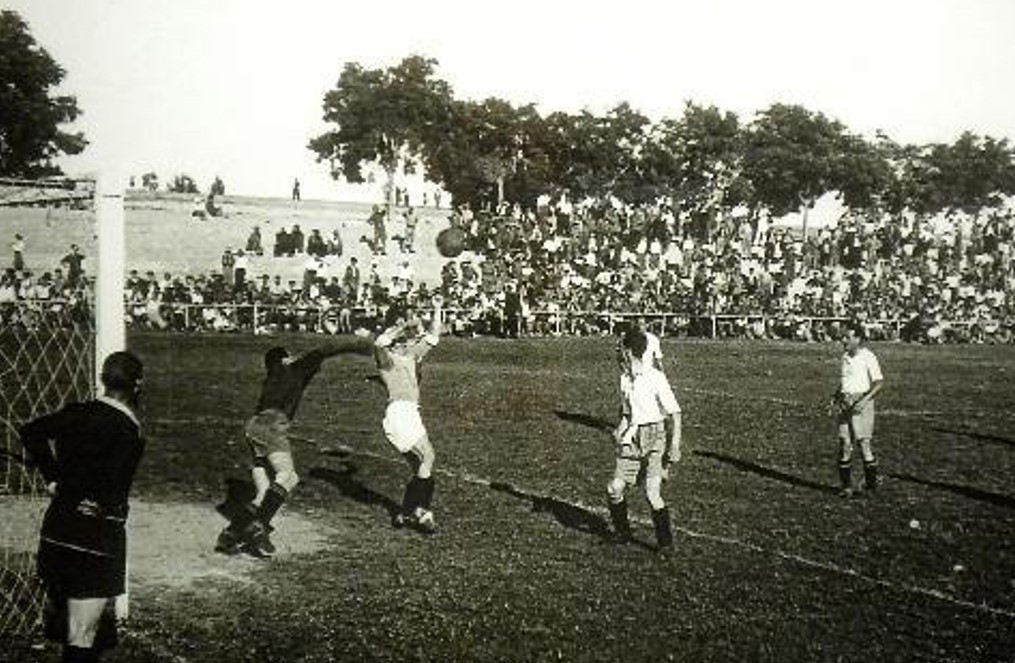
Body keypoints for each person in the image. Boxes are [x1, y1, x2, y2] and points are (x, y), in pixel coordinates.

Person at [20, 351, 146, 663]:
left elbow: (31, 431)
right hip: (96, 538)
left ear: (103, 380)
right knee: (83, 635)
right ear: (138, 385)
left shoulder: (77, 412)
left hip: (57, 531)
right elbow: (111, 488)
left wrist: (53, 479)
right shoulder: (130, 431)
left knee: (71, 627)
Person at [215, 336, 375, 557]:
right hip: (271, 425)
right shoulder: (293, 369)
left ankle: (230, 535)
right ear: (285, 359)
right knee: (287, 476)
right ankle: (258, 527)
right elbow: (324, 350)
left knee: (264, 493)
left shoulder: (273, 377)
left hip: (252, 427)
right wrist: (359, 345)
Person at [372, 295, 444, 532]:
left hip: (409, 412)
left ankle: (405, 512)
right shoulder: (388, 359)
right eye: (402, 338)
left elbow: (434, 336)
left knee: (420, 466)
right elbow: (378, 343)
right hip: (399, 413)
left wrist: (437, 308)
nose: (407, 340)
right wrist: (399, 327)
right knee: (428, 457)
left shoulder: (410, 354)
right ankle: (420, 511)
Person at [607, 327, 681, 552]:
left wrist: (674, 445)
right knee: (614, 489)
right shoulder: (624, 378)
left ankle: (665, 543)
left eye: (622, 347)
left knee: (652, 493)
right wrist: (620, 429)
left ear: (629, 351)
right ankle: (623, 532)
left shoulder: (655, 377)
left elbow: (675, 412)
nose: (618, 350)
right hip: (633, 437)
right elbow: (627, 412)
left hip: (655, 436)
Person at [831, 321, 884, 497]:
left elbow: (879, 382)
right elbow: (846, 380)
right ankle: (846, 487)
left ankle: (871, 487)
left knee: (863, 444)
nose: (843, 340)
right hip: (846, 403)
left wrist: (864, 400)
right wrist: (837, 395)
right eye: (843, 336)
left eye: (847, 337)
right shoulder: (845, 356)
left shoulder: (868, 356)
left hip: (862, 403)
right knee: (845, 444)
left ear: (858, 339)